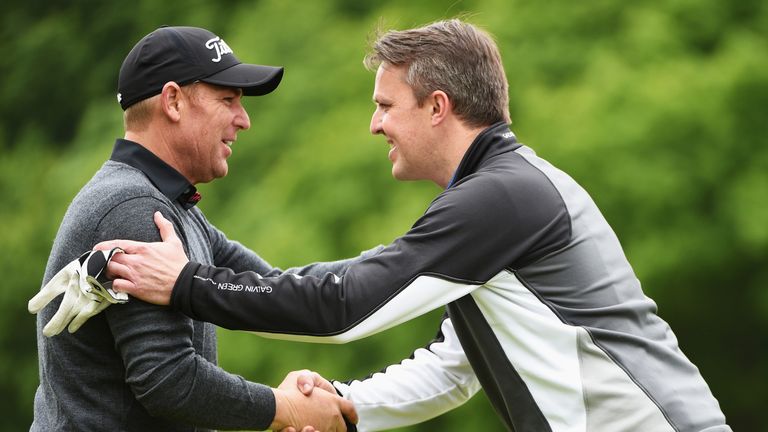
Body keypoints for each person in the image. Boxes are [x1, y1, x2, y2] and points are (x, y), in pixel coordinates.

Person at [90, 19, 729, 431]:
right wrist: (347, 409)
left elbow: (342, 306)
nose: (375, 126)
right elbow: (457, 367)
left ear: (437, 108)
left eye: (386, 106)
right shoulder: (498, 196)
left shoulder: (501, 199)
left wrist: (186, 284)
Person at [27, 25, 359, 432]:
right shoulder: (136, 208)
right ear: (173, 101)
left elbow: (273, 287)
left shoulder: (171, 206)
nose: (244, 120)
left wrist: (414, 258)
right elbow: (170, 382)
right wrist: (283, 407)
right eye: (228, 99)